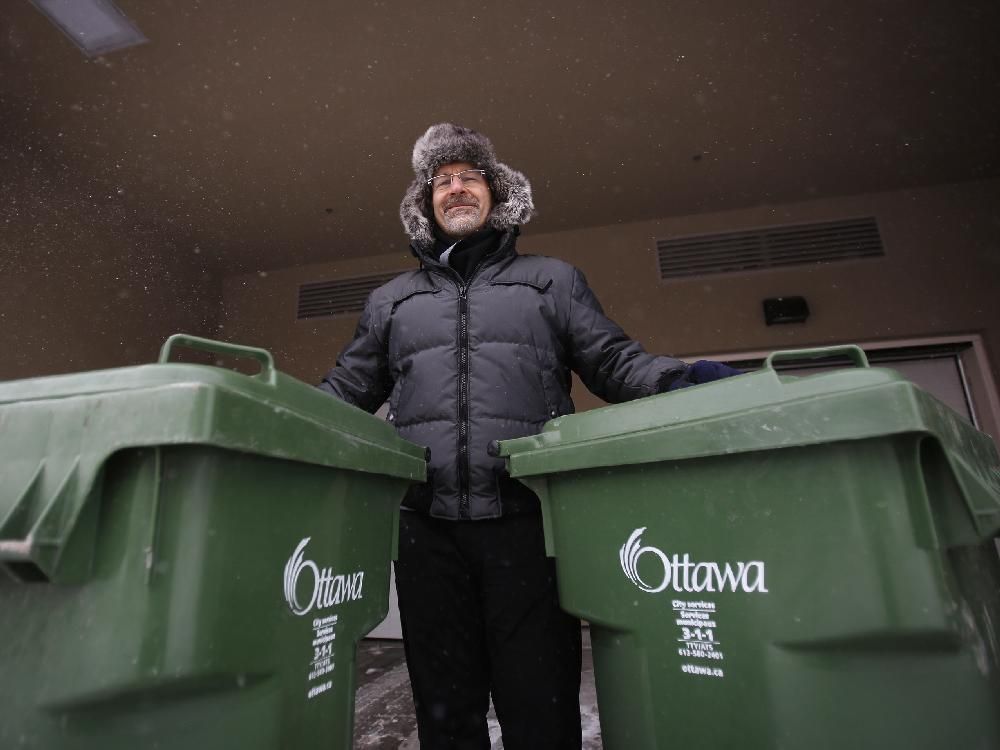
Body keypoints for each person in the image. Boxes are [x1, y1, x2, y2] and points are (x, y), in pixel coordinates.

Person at [318, 123, 740, 750]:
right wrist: (282, 415)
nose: (455, 188)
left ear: (497, 192)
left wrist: (681, 380)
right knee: (444, 708)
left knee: (539, 707)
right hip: (425, 530)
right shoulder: (391, 302)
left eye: (469, 177)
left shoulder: (552, 281)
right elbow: (346, 392)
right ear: (425, 203)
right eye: (442, 180)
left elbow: (613, 362)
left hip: (528, 524)